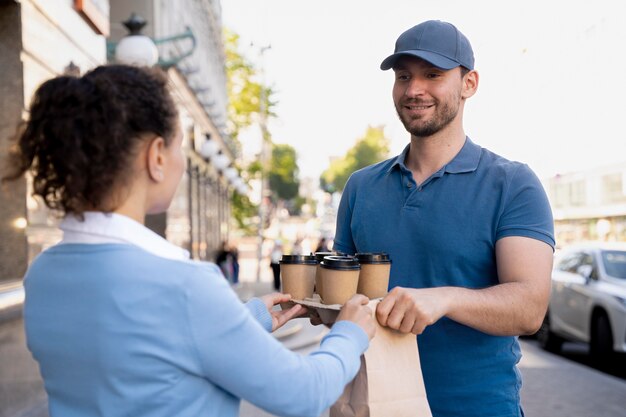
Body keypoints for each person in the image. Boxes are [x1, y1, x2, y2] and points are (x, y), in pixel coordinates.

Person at [3, 65, 376, 417]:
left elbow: (142, 349)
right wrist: (349, 333)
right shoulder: (184, 285)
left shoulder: (42, 273)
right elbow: (302, 393)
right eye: (179, 146)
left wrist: (244, 320)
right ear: (156, 157)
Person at [333, 20, 554, 417]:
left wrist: (445, 299)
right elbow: (343, 295)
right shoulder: (360, 186)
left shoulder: (513, 184)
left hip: (478, 407)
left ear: (469, 84)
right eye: (404, 76)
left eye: (432, 75)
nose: (414, 89)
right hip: (373, 404)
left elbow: (530, 308)